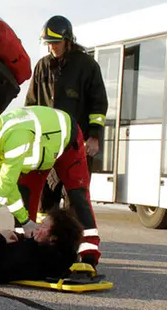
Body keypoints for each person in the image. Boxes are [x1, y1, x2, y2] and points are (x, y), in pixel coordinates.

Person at [0, 106, 102, 267]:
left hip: (66, 142)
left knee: (77, 196)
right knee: (25, 197)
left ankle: (89, 255)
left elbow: (6, 182)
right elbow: (7, 190)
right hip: (36, 157)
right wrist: (25, 221)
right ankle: (27, 247)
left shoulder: (14, 137)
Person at [26, 15, 108, 218]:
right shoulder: (42, 66)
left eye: (56, 42)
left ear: (68, 40)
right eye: (49, 43)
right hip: (47, 146)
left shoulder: (87, 66)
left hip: (77, 145)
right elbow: (31, 104)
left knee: (76, 199)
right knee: (45, 198)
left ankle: (73, 244)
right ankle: (43, 242)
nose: (52, 47)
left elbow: (99, 104)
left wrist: (94, 136)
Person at [0, 208, 84, 284]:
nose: (37, 227)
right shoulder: (60, 259)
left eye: (43, 226)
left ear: (54, 237)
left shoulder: (27, 255)